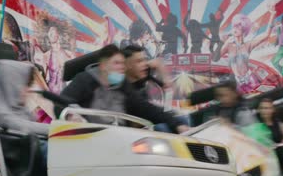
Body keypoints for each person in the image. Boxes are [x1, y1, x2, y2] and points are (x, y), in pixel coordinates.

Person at [55, 44, 189, 133]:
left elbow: (144, 107)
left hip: (120, 137)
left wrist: (176, 124)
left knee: (175, 124)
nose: (121, 68)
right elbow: (60, 103)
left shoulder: (122, 84)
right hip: (92, 136)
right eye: (116, 64)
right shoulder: (85, 79)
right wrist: (73, 116)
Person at [122, 44, 188, 131]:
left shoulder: (141, 69)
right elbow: (147, 110)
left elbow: (157, 62)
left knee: (183, 118)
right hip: (136, 127)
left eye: (145, 60)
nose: (145, 64)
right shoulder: (125, 89)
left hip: (149, 116)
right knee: (163, 128)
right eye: (139, 61)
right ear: (126, 65)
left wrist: (166, 80)